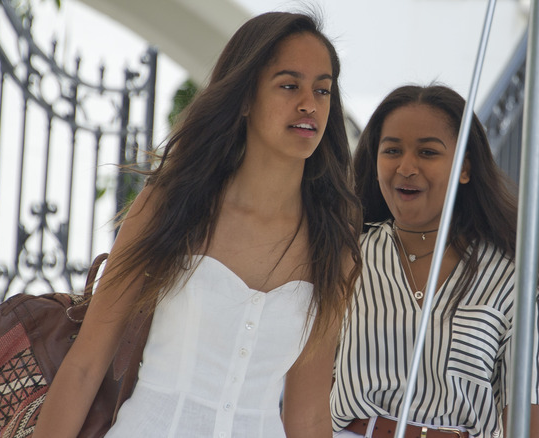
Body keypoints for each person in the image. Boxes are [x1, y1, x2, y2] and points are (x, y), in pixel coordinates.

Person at [34, 11, 362, 438]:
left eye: (322, 90)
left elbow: (309, 414)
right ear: (245, 99)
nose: (309, 103)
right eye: (288, 85)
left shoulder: (332, 238)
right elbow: (85, 365)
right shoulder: (173, 204)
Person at [330, 85, 539, 438]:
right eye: (392, 150)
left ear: (465, 168)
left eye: (427, 152)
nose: (406, 167)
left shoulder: (517, 279)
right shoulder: (344, 256)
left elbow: (529, 421)